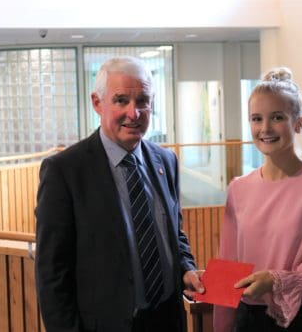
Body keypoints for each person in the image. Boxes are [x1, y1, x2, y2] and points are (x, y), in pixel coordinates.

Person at [35, 56, 204, 332]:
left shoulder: (166, 161)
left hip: (167, 320)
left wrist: (186, 267)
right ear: (97, 103)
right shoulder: (64, 171)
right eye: (121, 100)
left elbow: (174, 234)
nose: (133, 113)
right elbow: (52, 275)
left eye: (142, 101)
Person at [213, 67, 302, 331]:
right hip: (247, 324)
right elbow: (227, 270)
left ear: (297, 123)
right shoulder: (238, 189)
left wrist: (278, 281)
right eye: (256, 119)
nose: (265, 128)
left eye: (277, 117)